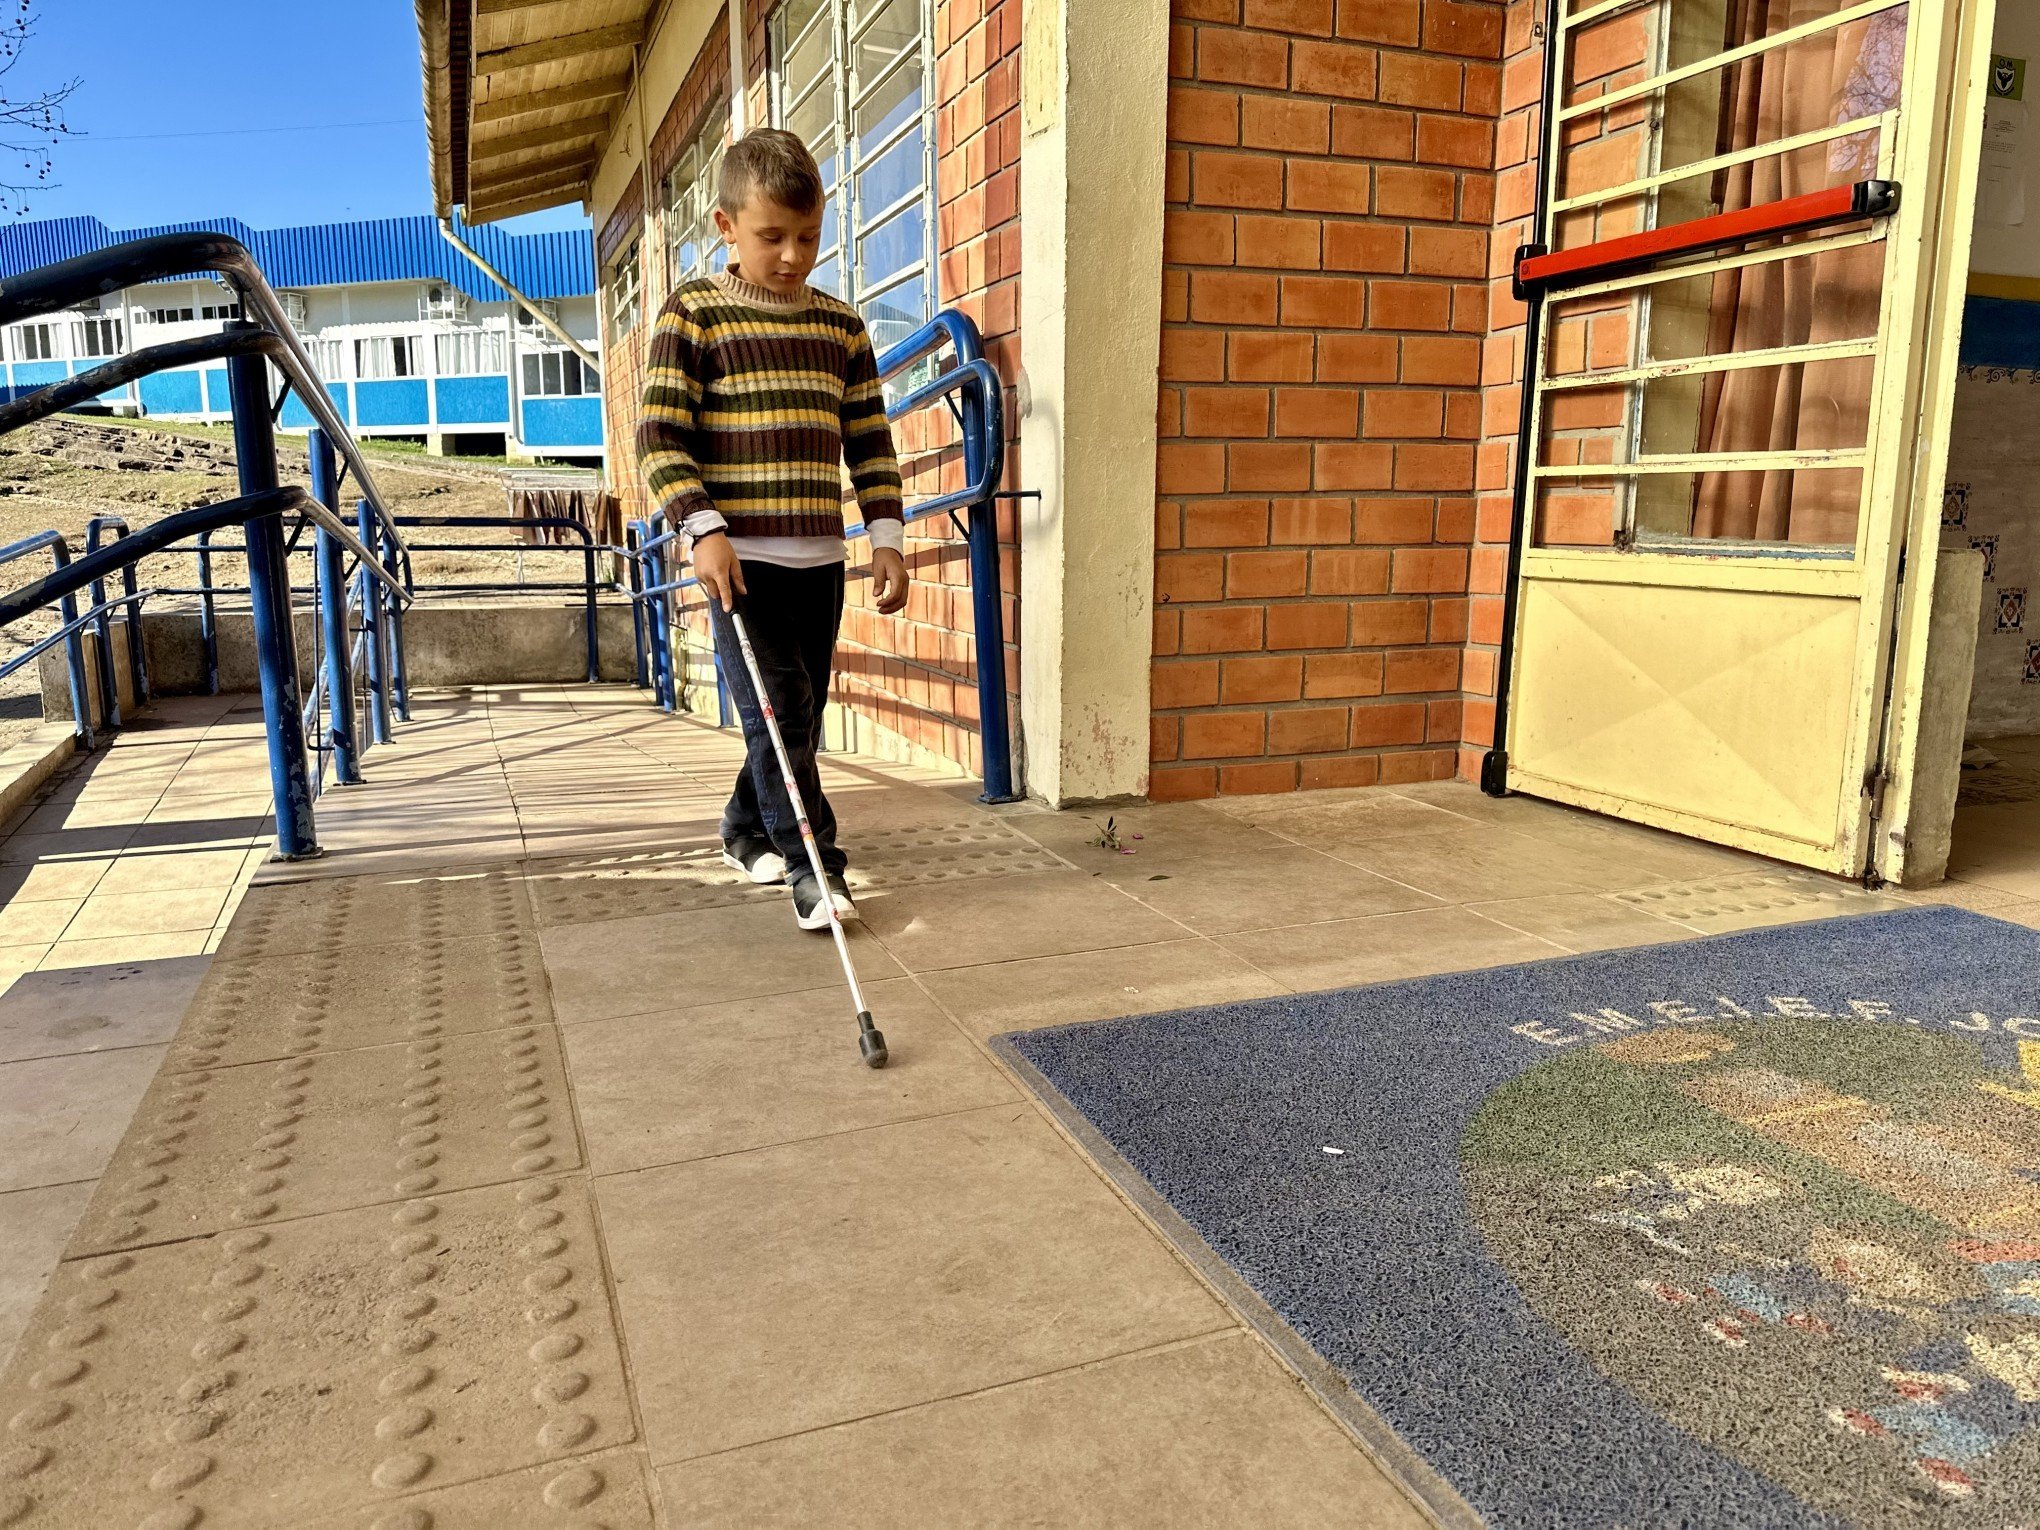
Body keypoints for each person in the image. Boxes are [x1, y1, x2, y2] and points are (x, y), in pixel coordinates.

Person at [637, 127, 909, 930]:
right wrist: (701, 527)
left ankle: (743, 826)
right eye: (771, 237)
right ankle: (814, 866)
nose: (792, 256)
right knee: (779, 710)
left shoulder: (841, 327)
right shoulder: (694, 315)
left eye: (808, 237)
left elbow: (868, 437)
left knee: (795, 712)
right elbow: (659, 435)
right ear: (726, 227)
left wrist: (886, 531)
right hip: (738, 560)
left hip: (819, 558)